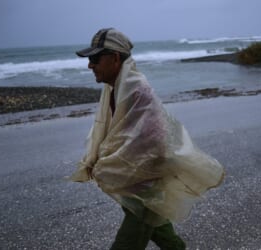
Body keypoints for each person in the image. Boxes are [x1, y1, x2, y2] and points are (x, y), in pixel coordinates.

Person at [71, 28, 225, 250]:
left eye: (95, 59)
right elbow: (119, 135)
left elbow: (159, 142)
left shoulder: (137, 92)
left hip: (147, 186)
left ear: (115, 58)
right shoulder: (116, 89)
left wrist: (114, 164)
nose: (90, 65)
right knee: (161, 231)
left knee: (128, 242)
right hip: (137, 185)